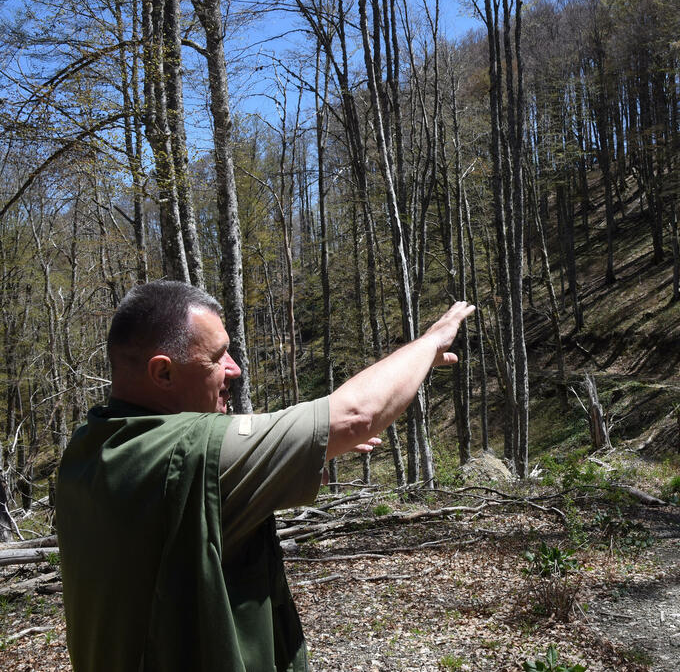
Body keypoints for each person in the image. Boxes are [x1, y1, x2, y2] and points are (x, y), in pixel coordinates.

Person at [56, 280, 474, 672]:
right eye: (217, 356)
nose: (234, 370)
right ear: (163, 373)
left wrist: (279, 463)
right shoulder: (188, 453)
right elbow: (356, 416)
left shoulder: (90, 447)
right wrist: (429, 342)